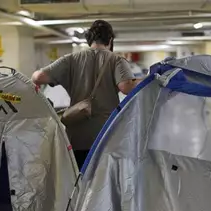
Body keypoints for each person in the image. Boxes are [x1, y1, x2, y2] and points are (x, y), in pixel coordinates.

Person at [32, 20, 140, 168]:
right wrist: (150, 79)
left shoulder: (70, 59)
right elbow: (126, 87)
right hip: (106, 135)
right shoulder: (116, 60)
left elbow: (38, 78)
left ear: (89, 40)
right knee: (103, 183)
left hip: (76, 136)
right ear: (110, 40)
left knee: (79, 181)